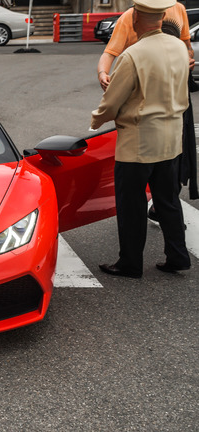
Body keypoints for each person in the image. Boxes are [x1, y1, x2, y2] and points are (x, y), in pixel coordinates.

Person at [91, 0, 191, 278]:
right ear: (161, 18)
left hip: (139, 141)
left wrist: (96, 119)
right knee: (168, 200)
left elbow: (112, 102)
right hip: (171, 138)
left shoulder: (133, 55)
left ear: (135, 17)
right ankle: (177, 256)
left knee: (131, 203)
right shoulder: (180, 49)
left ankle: (130, 262)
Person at [97, 1, 198, 211]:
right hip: (144, 89)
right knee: (152, 156)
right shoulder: (130, 16)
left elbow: (186, 45)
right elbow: (110, 52)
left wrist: (189, 58)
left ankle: (163, 206)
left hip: (174, 88)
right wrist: (102, 73)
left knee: (175, 157)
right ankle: (163, 207)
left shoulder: (178, 9)